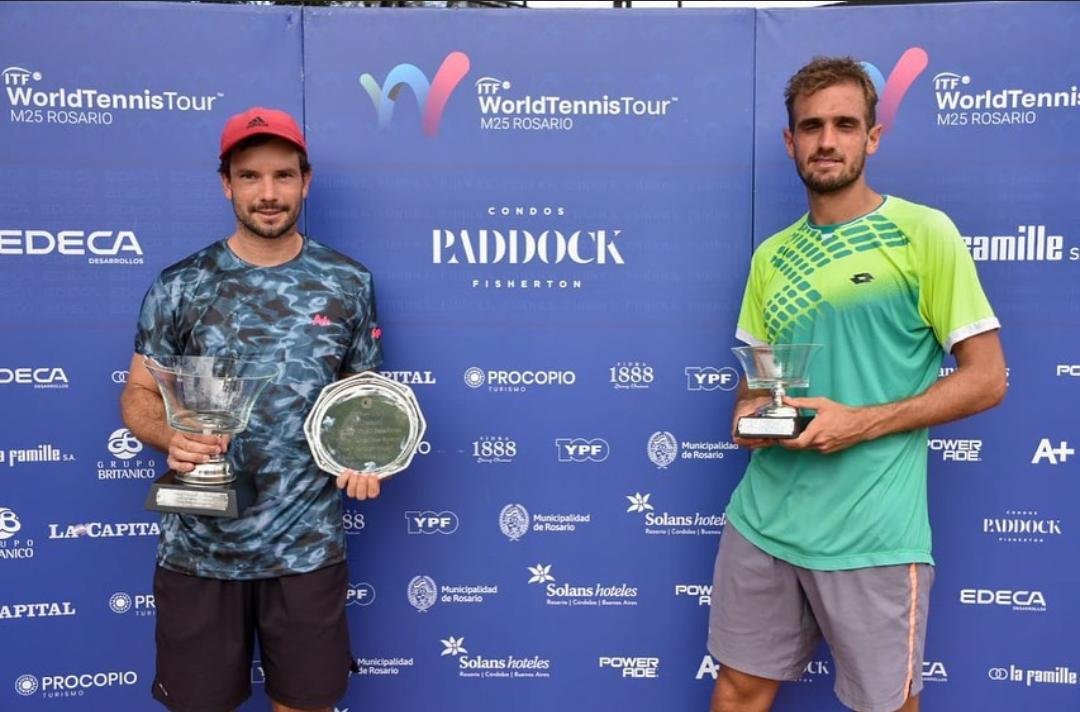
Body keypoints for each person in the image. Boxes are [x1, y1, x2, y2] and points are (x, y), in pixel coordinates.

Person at [708, 57, 1006, 712]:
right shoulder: (771, 258)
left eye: (845, 124)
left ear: (872, 137)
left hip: (872, 532)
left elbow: (987, 380)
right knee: (736, 692)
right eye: (811, 126)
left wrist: (857, 422)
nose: (826, 140)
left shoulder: (924, 234)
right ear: (790, 142)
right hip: (763, 523)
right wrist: (751, 419)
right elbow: (754, 387)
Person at [121, 106, 383, 712]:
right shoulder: (180, 285)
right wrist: (170, 436)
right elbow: (138, 393)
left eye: (283, 176)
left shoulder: (349, 283)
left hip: (306, 546)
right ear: (226, 183)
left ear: (305, 181)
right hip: (199, 548)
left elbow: (363, 400)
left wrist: (368, 456)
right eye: (250, 176)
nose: (268, 194)